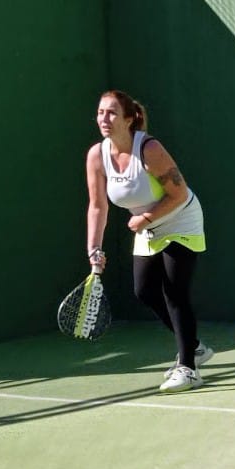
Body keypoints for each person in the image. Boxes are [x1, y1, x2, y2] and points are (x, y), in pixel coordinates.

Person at [86, 90, 212, 393]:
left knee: (174, 291)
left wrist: (145, 218)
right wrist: (94, 248)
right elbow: (98, 206)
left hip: (180, 218)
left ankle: (188, 369)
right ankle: (193, 346)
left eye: (112, 113)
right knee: (144, 291)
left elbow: (179, 194)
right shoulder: (97, 156)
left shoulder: (149, 149)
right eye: (101, 112)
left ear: (129, 119)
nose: (104, 118)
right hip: (148, 226)